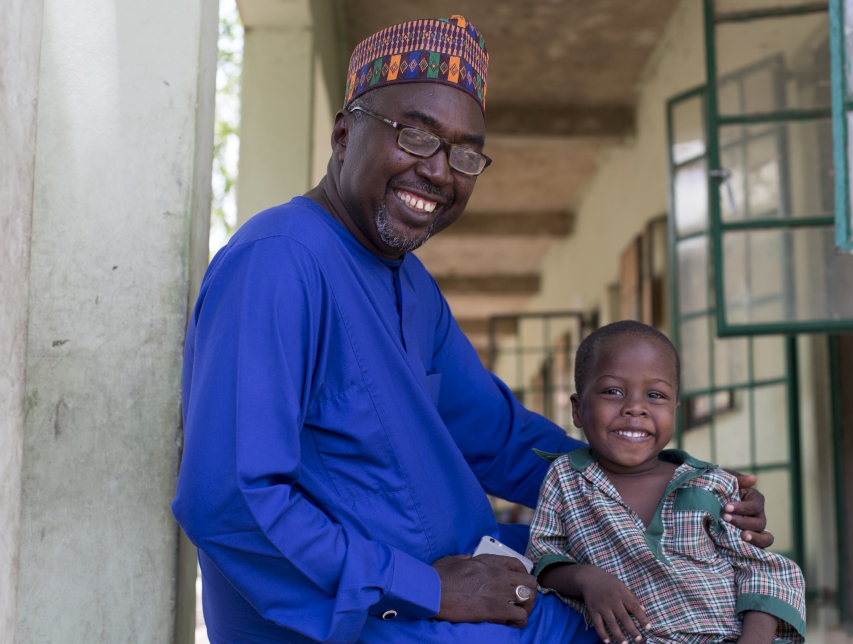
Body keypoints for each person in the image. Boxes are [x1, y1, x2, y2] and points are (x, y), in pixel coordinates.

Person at [172, 15, 772, 644]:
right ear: (344, 134)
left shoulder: (408, 283)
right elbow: (231, 503)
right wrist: (431, 589)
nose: (438, 171)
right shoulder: (279, 261)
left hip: (473, 587)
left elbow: (500, 438)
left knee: (705, 594)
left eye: (463, 154)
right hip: (370, 616)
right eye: (415, 136)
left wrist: (676, 490)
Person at [526, 321, 805, 644]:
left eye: (655, 395)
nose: (635, 408)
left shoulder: (709, 484)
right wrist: (587, 578)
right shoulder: (567, 479)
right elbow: (542, 558)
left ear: (675, 409)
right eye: (613, 391)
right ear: (578, 409)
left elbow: (762, 572)